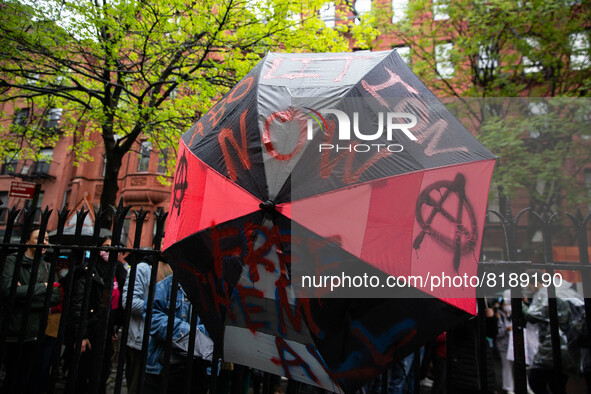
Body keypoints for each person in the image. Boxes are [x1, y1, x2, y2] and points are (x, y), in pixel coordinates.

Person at [0, 226, 61, 393]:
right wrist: (43, 287)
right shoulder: (13, 261)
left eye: (47, 239)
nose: (44, 242)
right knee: (12, 378)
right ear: (27, 241)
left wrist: (24, 296)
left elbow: (55, 296)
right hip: (13, 331)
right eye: (39, 238)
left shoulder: (47, 267)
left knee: (27, 379)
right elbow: (8, 291)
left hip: (36, 332)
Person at [64, 235, 127, 393]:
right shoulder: (89, 270)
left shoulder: (117, 271)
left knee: (101, 374)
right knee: (81, 374)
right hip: (89, 329)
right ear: (98, 249)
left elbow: (111, 306)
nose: (109, 250)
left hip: (104, 331)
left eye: (113, 246)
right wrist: (81, 336)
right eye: (106, 246)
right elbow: (78, 306)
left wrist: (112, 328)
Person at [144, 274, 211, 394]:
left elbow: (217, 326)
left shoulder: (212, 292)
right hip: (162, 368)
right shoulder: (165, 286)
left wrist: (191, 334)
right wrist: (187, 332)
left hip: (197, 370)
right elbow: (151, 317)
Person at [122, 245, 172, 394]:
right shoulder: (143, 269)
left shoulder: (173, 269)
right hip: (140, 341)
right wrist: (158, 309)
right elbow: (129, 301)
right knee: (137, 385)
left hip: (161, 342)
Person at [523, 278, 585, 394]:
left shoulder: (547, 293)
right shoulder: (567, 292)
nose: (528, 289)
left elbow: (532, 316)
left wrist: (519, 304)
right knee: (558, 385)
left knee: (536, 381)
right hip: (570, 347)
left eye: (529, 286)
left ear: (536, 283)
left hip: (553, 347)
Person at [496, 297, 514, 394]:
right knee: (507, 366)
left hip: (514, 344)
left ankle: (526, 386)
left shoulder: (513, 314)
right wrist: (506, 329)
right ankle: (508, 387)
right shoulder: (498, 316)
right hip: (503, 345)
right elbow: (496, 332)